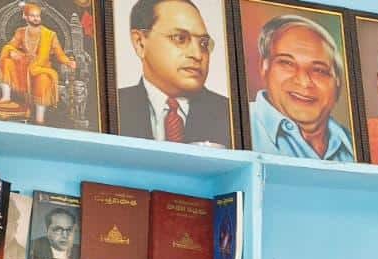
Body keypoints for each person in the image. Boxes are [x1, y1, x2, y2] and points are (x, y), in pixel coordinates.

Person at [117, 0, 232, 146]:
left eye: (203, 44)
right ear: (140, 43)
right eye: (180, 38)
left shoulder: (232, 115)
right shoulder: (110, 109)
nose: (197, 54)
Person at [249, 14, 355, 161]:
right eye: (287, 63)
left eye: (319, 70)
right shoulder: (232, 127)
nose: (304, 82)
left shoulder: (354, 144)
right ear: (264, 66)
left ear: (337, 82)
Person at [0, 2, 76, 125]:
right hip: (24, 66)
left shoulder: (50, 35)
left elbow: (60, 54)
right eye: (32, 16)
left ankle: (39, 119)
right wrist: (12, 52)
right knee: (7, 62)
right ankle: (6, 97)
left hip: (41, 68)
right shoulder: (20, 32)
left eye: (37, 16)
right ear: (25, 16)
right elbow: (10, 46)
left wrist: (69, 62)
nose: (36, 18)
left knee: (43, 79)